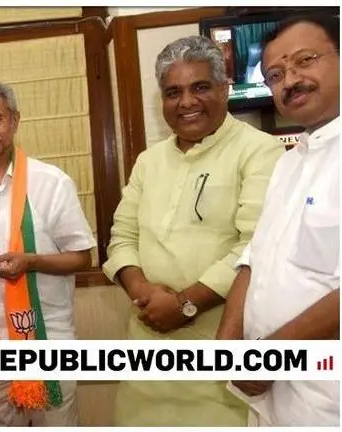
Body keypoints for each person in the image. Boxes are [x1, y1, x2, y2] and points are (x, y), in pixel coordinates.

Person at [101, 35, 284, 427]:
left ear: (224, 88)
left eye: (200, 87)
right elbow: (121, 238)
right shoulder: (149, 162)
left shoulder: (260, 151)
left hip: (218, 347)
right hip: (147, 345)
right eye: (173, 92)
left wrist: (185, 304)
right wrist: (144, 292)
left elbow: (256, 247)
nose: (186, 102)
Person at [0, 79, 95, 426]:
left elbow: (81, 257)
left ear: (14, 120)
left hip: (47, 343)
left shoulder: (50, 182)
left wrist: (31, 262)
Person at [216, 14, 340, 427]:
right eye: (275, 73)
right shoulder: (289, 163)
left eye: (305, 61)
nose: (290, 80)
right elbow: (256, 257)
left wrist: (269, 355)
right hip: (271, 399)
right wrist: (228, 341)